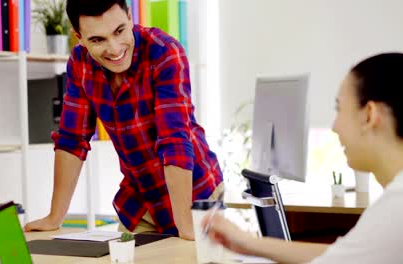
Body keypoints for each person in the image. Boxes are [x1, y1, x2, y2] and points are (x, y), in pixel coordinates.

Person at [24, 0, 223, 239]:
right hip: (141, 199)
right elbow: (71, 140)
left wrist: (185, 226)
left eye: (119, 31)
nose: (115, 48)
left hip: (194, 194)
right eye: (97, 40)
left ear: (130, 17)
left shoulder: (164, 52)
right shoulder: (80, 63)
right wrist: (55, 217)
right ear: (79, 37)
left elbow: (175, 142)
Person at [202, 52, 403, 263]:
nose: (334, 127)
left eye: (339, 109)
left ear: (369, 115)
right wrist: (247, 243)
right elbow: (342, 256)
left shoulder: (396, 207)